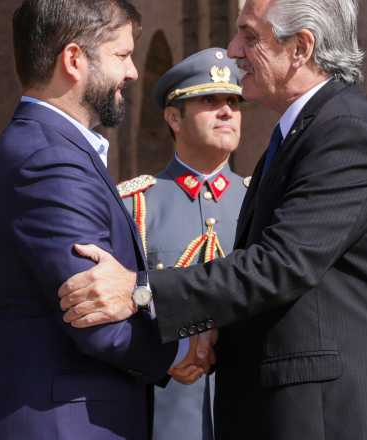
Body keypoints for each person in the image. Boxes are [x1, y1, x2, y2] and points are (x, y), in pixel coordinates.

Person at [57, 0, 367, 438]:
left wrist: (139, 290)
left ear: (301, 48)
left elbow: (279, 265)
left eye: (249, 36)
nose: (233, 50)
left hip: (328, 417)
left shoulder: (345, 132)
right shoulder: (303, 132)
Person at [0, 1, 210, 439]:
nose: (132, 72)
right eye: (120, 56)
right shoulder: (50, 160)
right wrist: (187, 348)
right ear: (74, 60)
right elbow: (95, 316)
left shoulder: (49, 148)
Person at [116, 47, 247, 440]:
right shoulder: (135, 205)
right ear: (174, 118)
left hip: (249, 413)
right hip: (163, 417)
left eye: (233, 102)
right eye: (210, 101)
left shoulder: (263, 201)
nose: (226, 111)